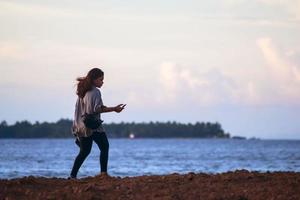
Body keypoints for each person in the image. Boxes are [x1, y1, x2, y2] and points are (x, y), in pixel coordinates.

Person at [69, 68, 126, 179]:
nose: (102, 82)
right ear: (94, 80)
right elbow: (96, 109)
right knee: (104, 147)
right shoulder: (95, 92)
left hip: (81, 126)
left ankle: (72, 176)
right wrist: (114, 109)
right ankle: (103, 174)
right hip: (92, 126)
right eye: (100, 79)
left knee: (84, 151)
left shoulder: (83, 91)